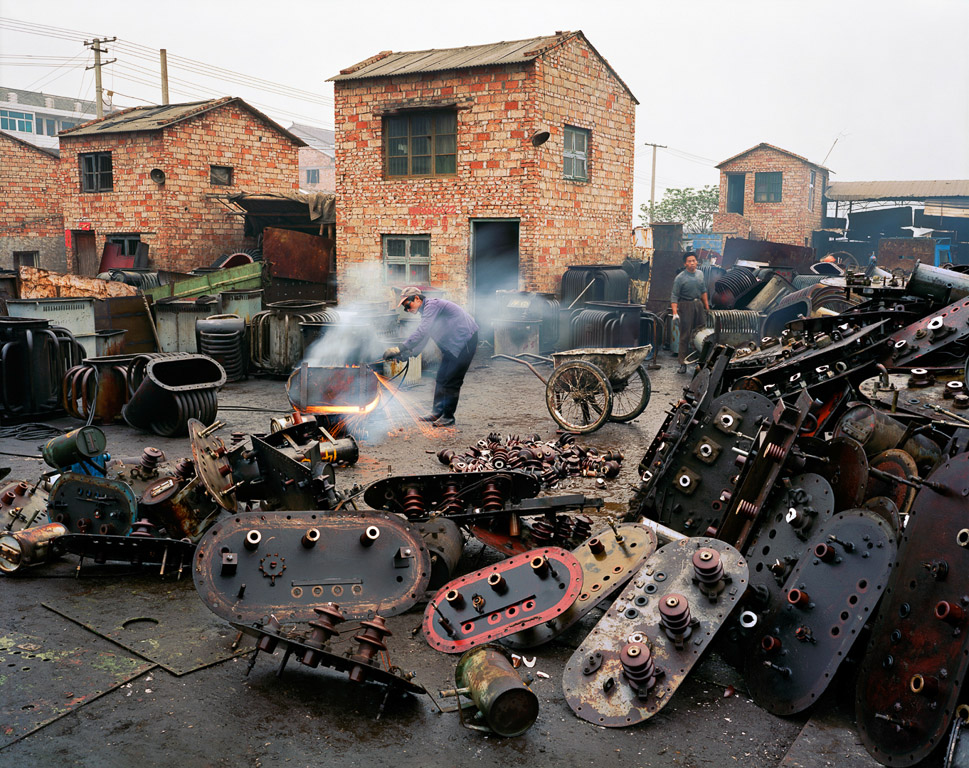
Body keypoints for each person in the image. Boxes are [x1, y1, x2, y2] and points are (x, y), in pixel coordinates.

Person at [383, 287, 479, 427]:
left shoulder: (432, 305)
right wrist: (410, 354)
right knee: (441, 377)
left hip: (465, 342)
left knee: (452, 380)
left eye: (407, 306)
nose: (407, 310)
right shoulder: (428, 312)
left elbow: (422, 331)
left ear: (417, 298)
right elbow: (425, 336)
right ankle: (437, 412)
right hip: (452, 346)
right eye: (404, 308)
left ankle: (448, 417)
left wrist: (399, 348)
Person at [670, 251, 709, 374]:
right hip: (685, 305)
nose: (692, 263)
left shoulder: (700, 274)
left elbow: (703, 291)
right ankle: (682, 364)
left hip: (698, 305)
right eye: (689, 261)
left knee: (702, 334)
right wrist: (675, 313)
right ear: (685, 264)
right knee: (685, 335)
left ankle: (701, 362)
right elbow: (674, 296)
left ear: (697, 262)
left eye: (694, 261)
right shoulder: (680, 278)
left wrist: (707, 308)